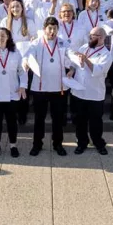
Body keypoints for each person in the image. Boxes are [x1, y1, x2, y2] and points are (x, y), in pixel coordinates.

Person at [22, 17, 72, 156]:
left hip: (58, 87)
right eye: (49, 28)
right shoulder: (36, 43)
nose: (52, 31)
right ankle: (37, 144)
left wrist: (74, 65)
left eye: (55, 28)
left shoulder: (63, 43)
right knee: (39, 118)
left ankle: (58, 144)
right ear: (44, 29)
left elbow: (70, 56)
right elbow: (27, 56)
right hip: (40, 88)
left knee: (58, 118)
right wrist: (25, 62)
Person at [0, 28, 26, 158]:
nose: (0, 38)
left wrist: (23, 86)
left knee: (12, 121)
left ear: (8, 37)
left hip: (12, 93)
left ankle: (13, 145)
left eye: (3, 36)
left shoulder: (15, 53)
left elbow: (22, 71)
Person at [68, 27, 112, 155]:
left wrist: (86, 60)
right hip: (79, 91)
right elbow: (74, 63)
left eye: (95, 35)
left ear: (102, 38)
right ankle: (82, 142)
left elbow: (98, 71)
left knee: (95, 121)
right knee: (80, 120)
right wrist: (71, 70)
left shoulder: (106, 54)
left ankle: (98, 143)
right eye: (91, 35)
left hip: (94, 93)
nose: (92, 38)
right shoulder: (83, 48)